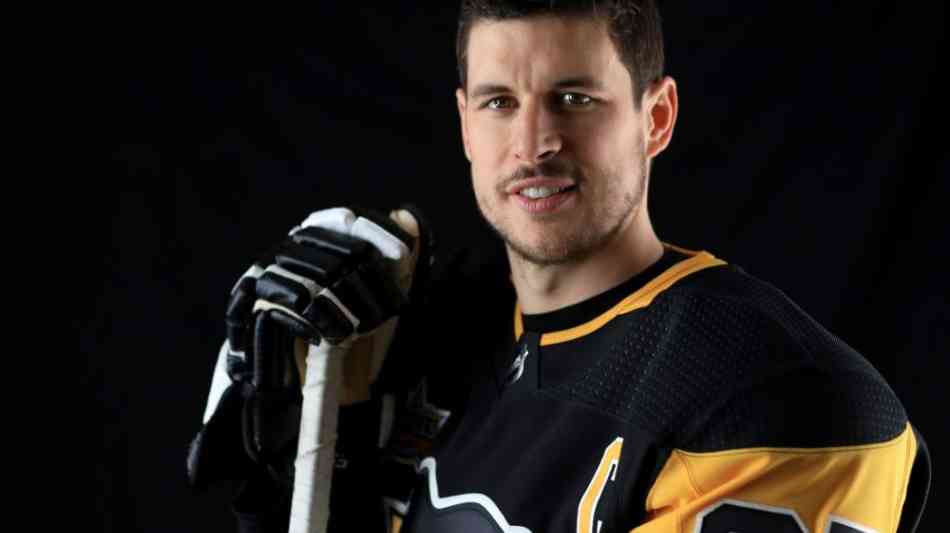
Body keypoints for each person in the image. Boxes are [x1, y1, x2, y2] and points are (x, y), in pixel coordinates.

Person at [188, 1, 931, 532]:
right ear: (464, 125)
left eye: (573, 99)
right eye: (499, 103)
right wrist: (319, 461)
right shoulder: (429, 340)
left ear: (655, 118)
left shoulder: (769, 396)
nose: (533, 143)